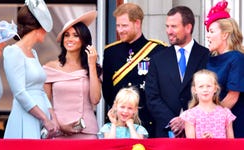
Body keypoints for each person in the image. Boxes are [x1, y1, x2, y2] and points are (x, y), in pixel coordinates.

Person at [102, 3, 166, 138]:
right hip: (119, 124)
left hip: (148, 123)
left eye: (124, 26)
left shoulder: (158, 51)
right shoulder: (110, 52)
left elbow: (162, 91)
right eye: (118, 25)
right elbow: (108, 92)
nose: (120, 30)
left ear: (137, 23)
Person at [145, 6, 209, 137]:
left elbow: (210, 93)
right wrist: (173, 121)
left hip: (199, 131)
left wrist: (187, 119)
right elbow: (152, 97)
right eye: (167, 26)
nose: (169, 31)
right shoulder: (158, 59)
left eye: (174, 26)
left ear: (188, 28)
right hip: (166, 131)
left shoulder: (206, 55)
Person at [3, 0, 58, 139]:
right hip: (25, 117)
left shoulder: (33, 53)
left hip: (41, 119)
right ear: (38, 28)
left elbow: (41, 90)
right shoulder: (13, 52)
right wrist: (44, 118)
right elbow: (20, 92)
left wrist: (52, 117)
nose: (46, 33)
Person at [43, 10, 102, 139]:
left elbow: (95, 99)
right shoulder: (50, 67)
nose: (70, 39)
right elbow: (45, 103)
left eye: (75, 35)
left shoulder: (92, 68)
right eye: (67, 35)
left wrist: (92, 65)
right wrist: (59, 125)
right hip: (59, 131)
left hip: (87, 132)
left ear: (83, 40)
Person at [204, 0, 244, 138]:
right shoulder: (208, 58)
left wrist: (211, 119)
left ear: (225, 34)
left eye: (211, 31)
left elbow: (232, 97)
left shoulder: (237, 58)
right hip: (212, 125)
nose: (207, 35)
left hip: (232, 125)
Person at [180, 69, 236, 138]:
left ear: (215, 89)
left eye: (209, 86)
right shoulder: (190, 115)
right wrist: (203, 142)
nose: (205, 90)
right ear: (194, 90)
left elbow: (231, 144)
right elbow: (190, 145)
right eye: (201, 86)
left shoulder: (225, 113)